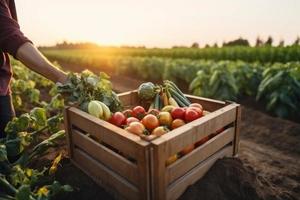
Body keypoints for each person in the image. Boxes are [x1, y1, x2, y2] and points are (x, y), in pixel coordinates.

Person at [0, 0, 67, 137]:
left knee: (11, 149)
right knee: (9, 151)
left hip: (2, 86)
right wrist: (60, 77)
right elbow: (9, 35)